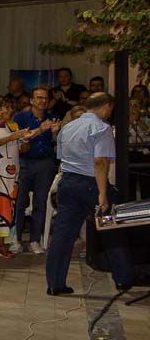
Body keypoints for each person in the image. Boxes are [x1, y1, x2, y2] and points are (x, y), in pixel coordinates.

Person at [46, 92, 136, 296]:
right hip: (91, 185)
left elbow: (60, 156)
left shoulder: (68, 126)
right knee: (111, 230)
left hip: (68, 183)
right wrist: (103, 193)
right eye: (110, 109)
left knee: (62, 235)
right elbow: (100, 162)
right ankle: (124, 279)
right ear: (105, 106)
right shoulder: (101, 128)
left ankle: (55, 284)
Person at [12, 86, 60, 254]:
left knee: (40, 202)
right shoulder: (21, 117)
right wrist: (40, 130)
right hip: (25, 162)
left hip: (45, 163)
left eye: (45, 98)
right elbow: (18, 138)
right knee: (19, 202)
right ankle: (15, 239)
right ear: (32, 100)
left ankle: (34, 240)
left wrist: (54, 134)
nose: (43, 101)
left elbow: (56, 145)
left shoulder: (53, 117)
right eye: (39, 98)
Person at [0, 101, 30, 258]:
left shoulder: (12, 126)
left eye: (11, 107)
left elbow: (23, 150)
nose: (10, 110)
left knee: (8, 209)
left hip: (11, 174)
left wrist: (25, 140)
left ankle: (2, 243)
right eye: (6, 107)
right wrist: (12, 137)